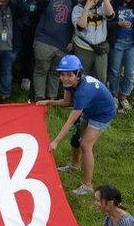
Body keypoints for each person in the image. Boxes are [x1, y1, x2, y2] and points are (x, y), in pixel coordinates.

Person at [38, 55, 116, 195]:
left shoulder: (83, 93)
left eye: (69, 74)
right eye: (62, 74)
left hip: (103, 113)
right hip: (90, 108)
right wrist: (48, 102)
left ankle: (87, 186)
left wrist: (55, 142)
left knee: (85, 144)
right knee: (76, 139)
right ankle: (74, 165)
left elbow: (70, 121)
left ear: (78, 74)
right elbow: (67, 102)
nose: (65, 78)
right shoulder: (69, 83)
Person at [71, 0, 113, 82]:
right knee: (82, 77)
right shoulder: (78, 9)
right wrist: (86, 9)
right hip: (83, 47)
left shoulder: (102, 6)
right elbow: (81, 27)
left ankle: (98, 96)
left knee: (101, 78)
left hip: (100, 48)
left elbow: (111, 15)